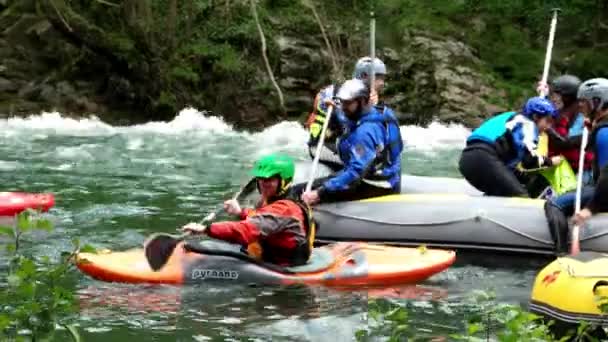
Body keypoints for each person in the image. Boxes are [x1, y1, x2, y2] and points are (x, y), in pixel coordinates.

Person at [180, 153, 314, 267]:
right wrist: (240, 212)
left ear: (284, 181)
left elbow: (245, 230)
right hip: (269, 257)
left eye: (268, 179)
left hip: (282, 265)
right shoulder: (278, 199)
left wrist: (206, 229)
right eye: (260, 179)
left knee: (213, 247)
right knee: (209, 245)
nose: (262, 183)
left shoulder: (285, 209)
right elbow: (262, 218)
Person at [295, 78, 403, 205]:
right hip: (388, 176)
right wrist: (335, 108)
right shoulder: (380, 112)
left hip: (374, 185)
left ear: (362, 101)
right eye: (342, 102)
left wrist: (319, 193)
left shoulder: (364, 133)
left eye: (347, 103)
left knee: (297, 193)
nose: (343, 106)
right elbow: (350, 119)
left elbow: (355, 173)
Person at [458, 96, 562, 197]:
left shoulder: (512, 117)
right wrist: (550, 161)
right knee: (520, 195)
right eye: (547, 121)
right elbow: (529, 161)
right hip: (484, 158)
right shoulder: (528, 124)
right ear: (535, 117)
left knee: (510, 186)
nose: (548, 127)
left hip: (468, 160)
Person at [304, 57, 388, 171]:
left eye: (383, 78)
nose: (382, 83)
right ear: (363, 76)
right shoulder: (333, 93)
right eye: (378, 78)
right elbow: (345, 122)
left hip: (343, 144)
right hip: (322, 146)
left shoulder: (370, 100)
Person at [545, 75, 594, 184]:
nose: (554, 97)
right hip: (560, 167)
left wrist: (547, 128)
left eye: (558, 94)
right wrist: (542, 96)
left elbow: (565, 143)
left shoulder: (581, 116)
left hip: (579, 171)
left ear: (568, 97)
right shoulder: (561, 111)